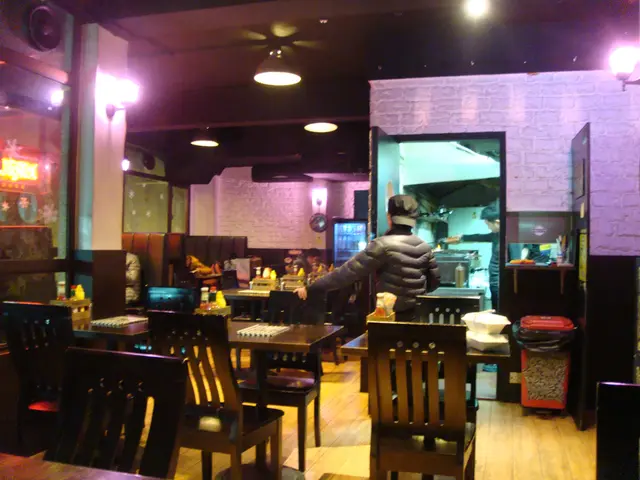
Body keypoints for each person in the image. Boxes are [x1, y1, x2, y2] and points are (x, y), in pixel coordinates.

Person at [295, 195, 440, 322]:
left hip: (388, 318)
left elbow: (346, 273)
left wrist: (313, 287)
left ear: (389, 218)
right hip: (417, 318)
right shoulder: (425, 247)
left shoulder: (381, 245)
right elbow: (434, 282)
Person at [447, 202, 500, 310]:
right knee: (496, 309)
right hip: (495, 281)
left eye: (488, 225)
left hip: (500, 283)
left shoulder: (508, 237)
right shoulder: (497, 235)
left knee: (500, 311)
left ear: (497, 222)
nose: (488, 228)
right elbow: (481, 237)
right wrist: (462, 237)